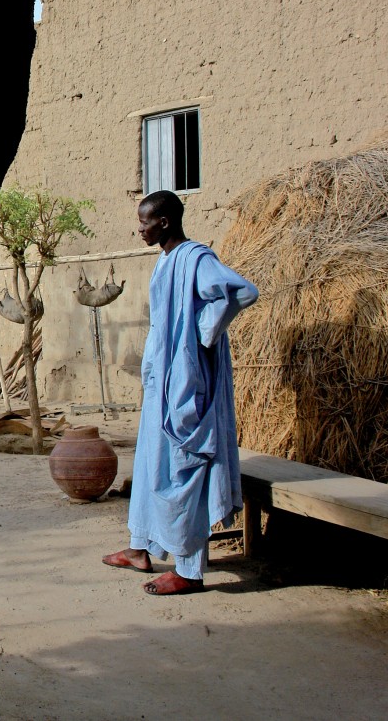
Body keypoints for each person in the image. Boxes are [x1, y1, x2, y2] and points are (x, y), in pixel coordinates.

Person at [102, 190, 259, 595]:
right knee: (152, 463)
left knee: (182, 468)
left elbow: (242, 292)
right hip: (163, 384)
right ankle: (140, 547)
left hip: (187, 385)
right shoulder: (167, 260)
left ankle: (188, 570)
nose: (140, 229)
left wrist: (202, 335)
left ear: (165, 222)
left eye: (145, 222)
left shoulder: (196, 259)